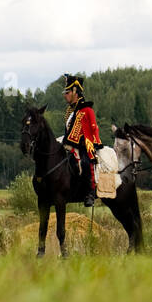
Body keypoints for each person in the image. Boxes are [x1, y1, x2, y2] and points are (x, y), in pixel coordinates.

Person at [61, 74, 102, 207]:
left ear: (75, 92)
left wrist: (94, 143)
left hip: (84, 146)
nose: (65, 95)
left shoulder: (87, 110)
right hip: (69, 146)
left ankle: (90, 193)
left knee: (85, 163)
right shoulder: (69, 111)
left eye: (67, 92)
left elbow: (94, 128)